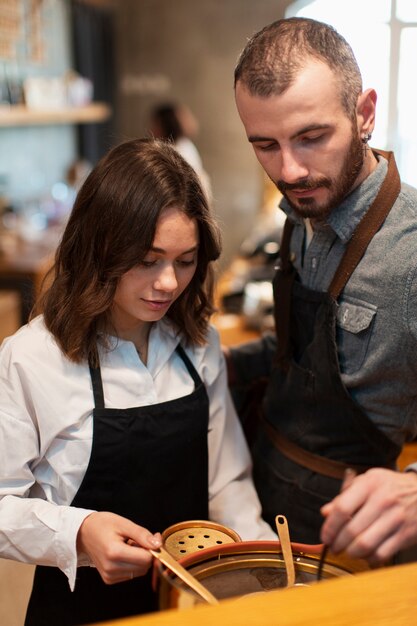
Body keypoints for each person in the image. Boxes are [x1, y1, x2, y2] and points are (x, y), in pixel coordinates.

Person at [0, 138, 275, 626]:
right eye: (148, 260)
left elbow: (227, 480)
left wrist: (261, 573)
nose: (168, 282)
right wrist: (79, 531)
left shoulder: (198, 345)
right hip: (78, 608)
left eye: (185, 261)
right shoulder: (31, 358)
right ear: (99, 249)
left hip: (188, 603)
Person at [228, 16, 417, 561]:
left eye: (311, 138)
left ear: (364, 114)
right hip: (265, 504)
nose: (290, 171)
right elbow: (300, 352)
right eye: (265, 145)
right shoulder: (302, 215)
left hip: (354, 542)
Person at [149, 102, 212, 200]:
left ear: (164, 125)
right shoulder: (185, 144)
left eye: (155, 124)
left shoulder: (173, 151)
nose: (151, 129)